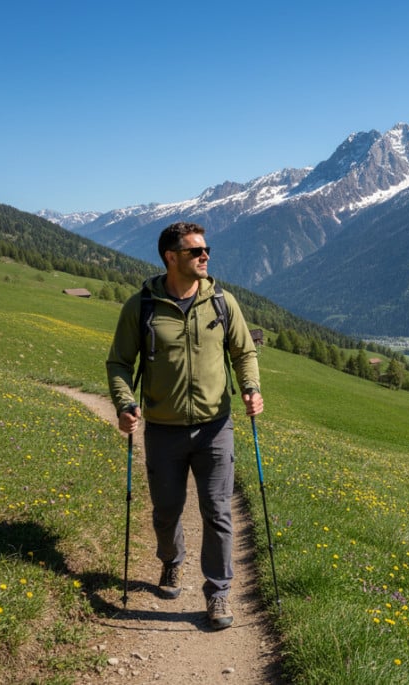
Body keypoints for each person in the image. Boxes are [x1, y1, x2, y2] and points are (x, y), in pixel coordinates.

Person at [106, 221, 264, 629]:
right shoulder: (141, 306)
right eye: (195, 251)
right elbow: (120, 363)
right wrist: (125, 404)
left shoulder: (222, 302)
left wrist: (250, 387)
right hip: (162, 428)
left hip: (216, 426)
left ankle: (218, 593)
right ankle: (171, 562)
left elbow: (244, 352)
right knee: (166, 511)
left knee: (217, 511)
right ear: (171, 257)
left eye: (206, 249)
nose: (205, 256)